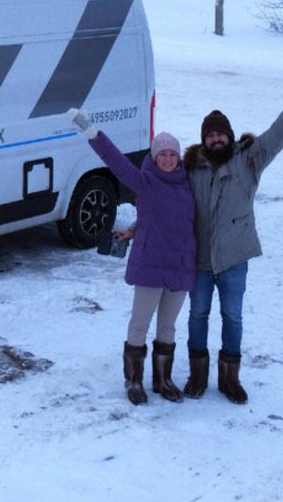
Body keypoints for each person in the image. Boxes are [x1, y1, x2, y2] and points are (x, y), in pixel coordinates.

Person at [181, 67, 283, 405]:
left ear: (228, 136)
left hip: (234, 257)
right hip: (199, 259)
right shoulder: (190, 168)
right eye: (210, 135)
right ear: (203, 139)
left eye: (220, 135)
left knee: (233, 317)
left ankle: (230, 379)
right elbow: (165, 209)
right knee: (197, 315)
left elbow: (277, 135)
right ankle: (197, 376)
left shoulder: (249, 160)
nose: (216, 140)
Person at [67, 109, 196, 406]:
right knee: (139, 325)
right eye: (161, 154)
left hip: (179, 266)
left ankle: (163, 380)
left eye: (172, 154)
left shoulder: (187, 183)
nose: (167, 158)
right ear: (153, 156)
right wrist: (92, 133)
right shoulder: (145, 181)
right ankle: (134, 380)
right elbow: (116, 162)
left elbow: (174, 218)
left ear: (178, 157)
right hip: (151, 265)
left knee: (168, 327)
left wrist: (136, 228)